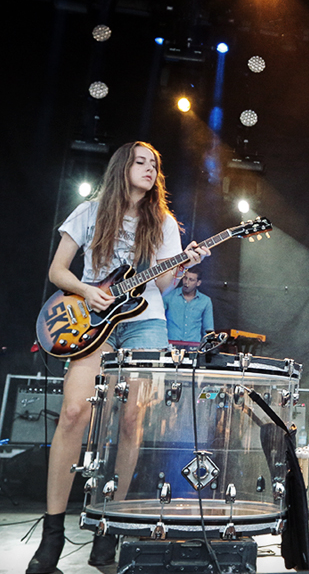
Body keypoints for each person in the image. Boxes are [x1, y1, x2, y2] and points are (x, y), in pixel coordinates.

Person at [27, 142, 209, 574]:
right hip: (88, 318)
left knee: (132, 422)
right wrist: (89, 290)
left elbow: (161, 285)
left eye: (155, 165)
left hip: (145, 321)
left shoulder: (163, 222)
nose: (149, 169)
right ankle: (52, 538)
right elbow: (57, 271)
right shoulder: (90, 211)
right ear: (122, 167)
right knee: (73, 413)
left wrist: (184, 265)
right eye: (141, 161)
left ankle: (108, 530)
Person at [163, 265, 215, 344]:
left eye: (191, 280)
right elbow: (160, 322)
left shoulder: (205, 301)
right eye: (185, 278)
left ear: (198, 283)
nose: (186, 282)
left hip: (193, 346)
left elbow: (208, 329)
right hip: (170, 344)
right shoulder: (169, 296)